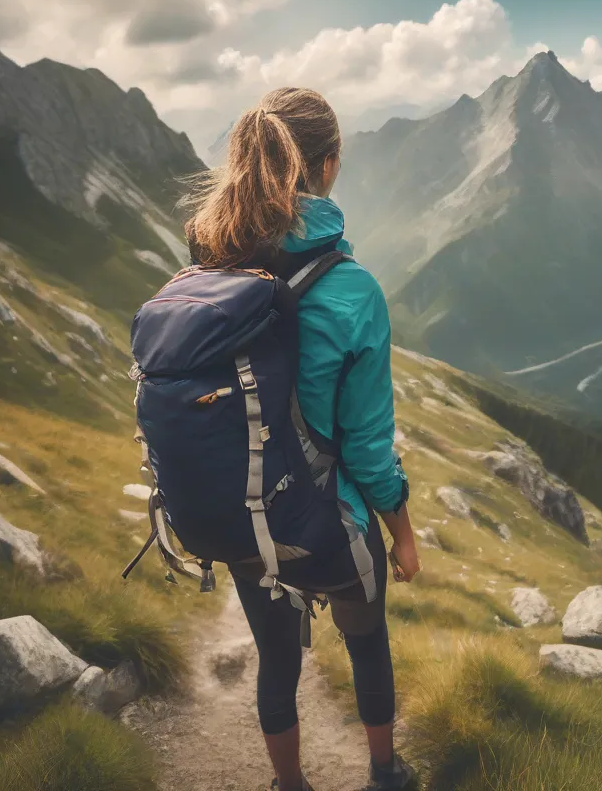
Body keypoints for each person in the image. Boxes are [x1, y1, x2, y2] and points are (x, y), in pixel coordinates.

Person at [185, 87, 420, 791]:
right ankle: (385, 773)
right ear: (329, 163)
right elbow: (371, 445)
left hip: (246, 507)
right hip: (329, 516)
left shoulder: (209, 264)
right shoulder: (353, 292)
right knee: (368, 643)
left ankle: (289, 786)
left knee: (276, 660)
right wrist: (402, 533)